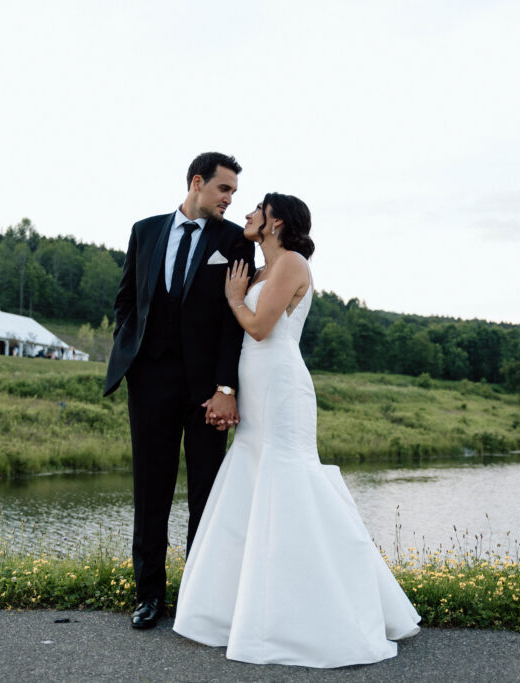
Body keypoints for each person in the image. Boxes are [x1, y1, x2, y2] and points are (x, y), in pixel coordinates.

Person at [173, 193, 421, 668]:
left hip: (281, 386)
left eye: (255, 210)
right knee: (251, 479)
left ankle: (315, 612)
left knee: (288, 479)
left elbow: (261, 328)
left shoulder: (290, 262)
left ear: (275, 222)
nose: (245, 215)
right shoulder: (262, 269)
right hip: (255, 382)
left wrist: (231, 299)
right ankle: (240, 610)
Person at [104, 152, 256, 630]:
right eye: (224, 189)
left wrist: (226, 386)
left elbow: (235, 323)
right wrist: (130, 352)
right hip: (149, 383)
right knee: (150, 491)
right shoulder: (145, 231)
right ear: (197, 182)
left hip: (206, 390)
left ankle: (197, 597)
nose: (230, 199)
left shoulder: (233, 241)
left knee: (205, 495)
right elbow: (126, 299)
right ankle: (148, 596)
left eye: (233, 192)